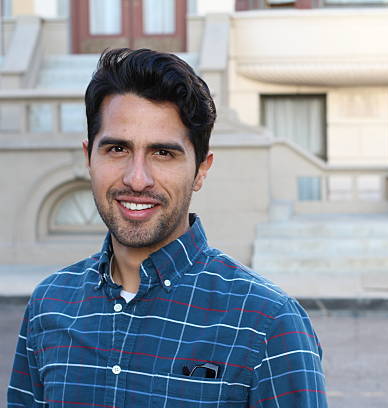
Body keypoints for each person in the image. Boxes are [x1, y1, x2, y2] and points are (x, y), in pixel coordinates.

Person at [8, 48, 327, 407]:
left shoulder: (267, 322)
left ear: (201, 170)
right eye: (117, 149)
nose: (137, 179)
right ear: (89, 158)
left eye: (163, 153)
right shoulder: (49, 304)